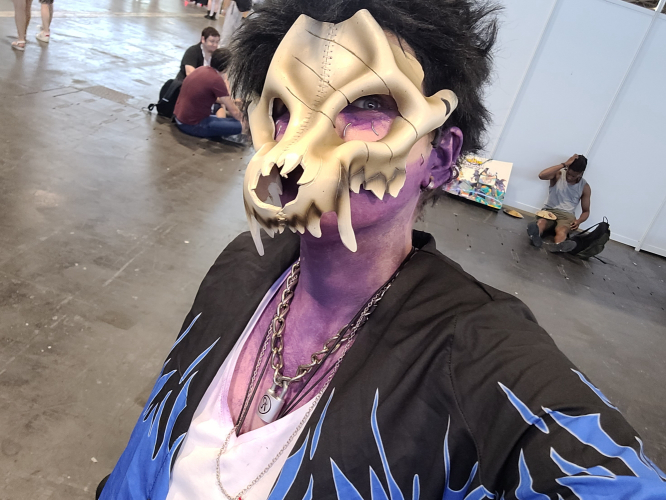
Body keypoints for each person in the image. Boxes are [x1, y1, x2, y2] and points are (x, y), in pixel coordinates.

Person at [97, 1, 666, 499]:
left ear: (441, 157)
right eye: (284, 107)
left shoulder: (478, 352)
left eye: (366, 103)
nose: (300, 143)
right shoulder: (243, 264)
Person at [173, 48, 243, 139]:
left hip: (179, 118)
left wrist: (232, 102)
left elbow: (206, 96)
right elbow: (234, 111)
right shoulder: (216, 80)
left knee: (227, 119)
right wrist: (245, 121)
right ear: (226, 66)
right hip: (192, 124)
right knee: (241, 125)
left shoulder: (201, 69)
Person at [527, 154, 591, 252]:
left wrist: (579, 221)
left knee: (562, 230)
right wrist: (564, 164)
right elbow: (541, 175)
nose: (569, 177)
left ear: (581, 173)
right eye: (569, 173)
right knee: (541, 222)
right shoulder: (559, 174)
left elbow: (586, 211)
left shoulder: (585, 187)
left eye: (573, 176)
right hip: (549, 210)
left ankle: (559, 246)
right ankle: (535, 235)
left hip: (567, 215)